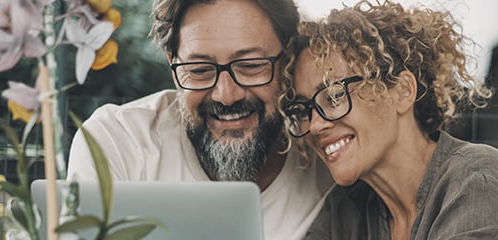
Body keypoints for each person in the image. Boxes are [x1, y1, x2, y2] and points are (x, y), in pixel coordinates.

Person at [279, 1, 498, 239]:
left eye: (334, 95)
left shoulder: (475, 178)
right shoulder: (347, 211)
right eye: (304, 110)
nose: (315, 125)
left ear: (402, 91)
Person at [67, 0, 333, 239]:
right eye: (200, 70)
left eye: (251, 65)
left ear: (287, 60)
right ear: (174, 68)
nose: (226, 95)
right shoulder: (116, 142)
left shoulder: (330, 155)